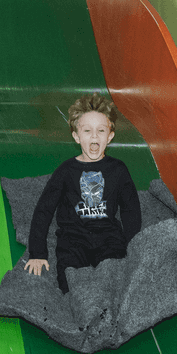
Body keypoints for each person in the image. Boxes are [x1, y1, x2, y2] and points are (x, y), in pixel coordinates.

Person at [24, 93, 141, 293]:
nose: (94, 136)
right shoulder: (66, 171)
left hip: (108, 237)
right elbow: (44, 209)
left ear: (110, 136)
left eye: (101, 130)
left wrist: (134, 247)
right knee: (70, 284)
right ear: (76, 136)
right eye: (87, 131)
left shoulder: (119, 170)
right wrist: (38, 253)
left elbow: (131, 210)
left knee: (117, 281)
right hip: (73, 239)